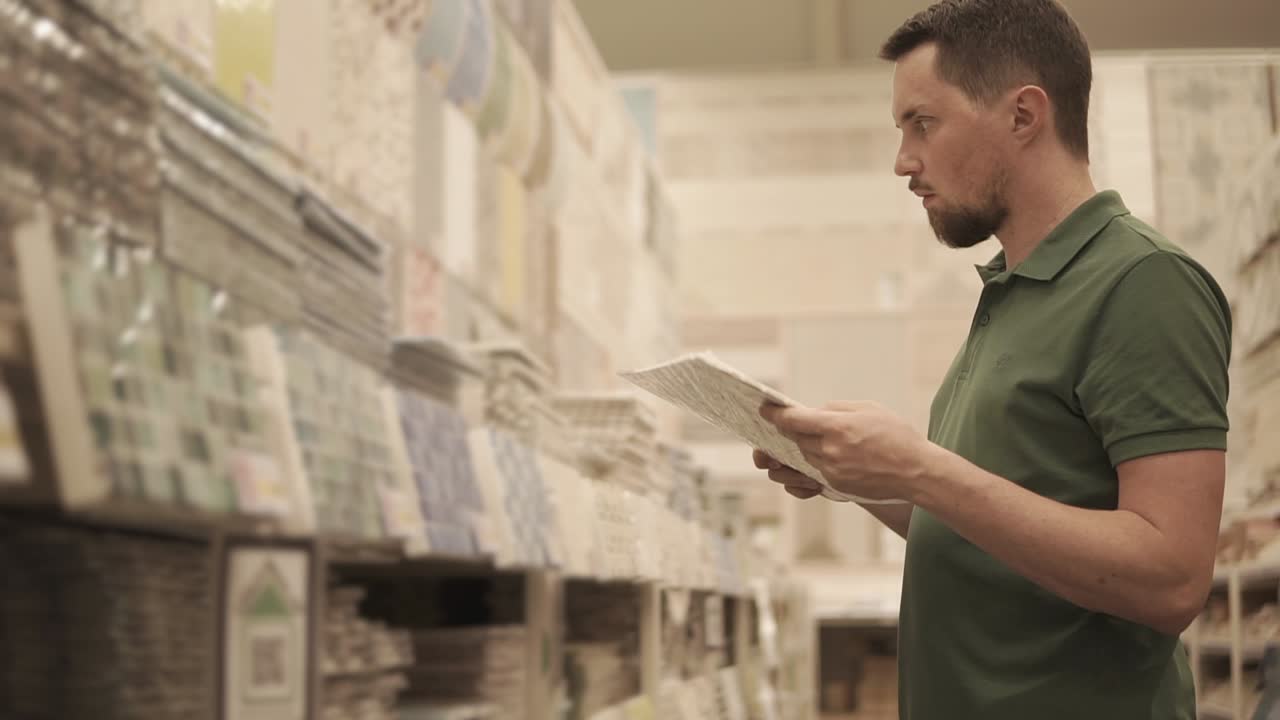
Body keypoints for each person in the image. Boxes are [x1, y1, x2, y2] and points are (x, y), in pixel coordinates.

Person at [753, 1, 1231, 718]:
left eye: (924, 123)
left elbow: (1171, 580)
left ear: (1023, 116)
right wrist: (855, 475)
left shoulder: (1144, 283)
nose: (903, 162)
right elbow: (992, 528)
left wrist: (920, 466)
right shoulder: (1011, 292)